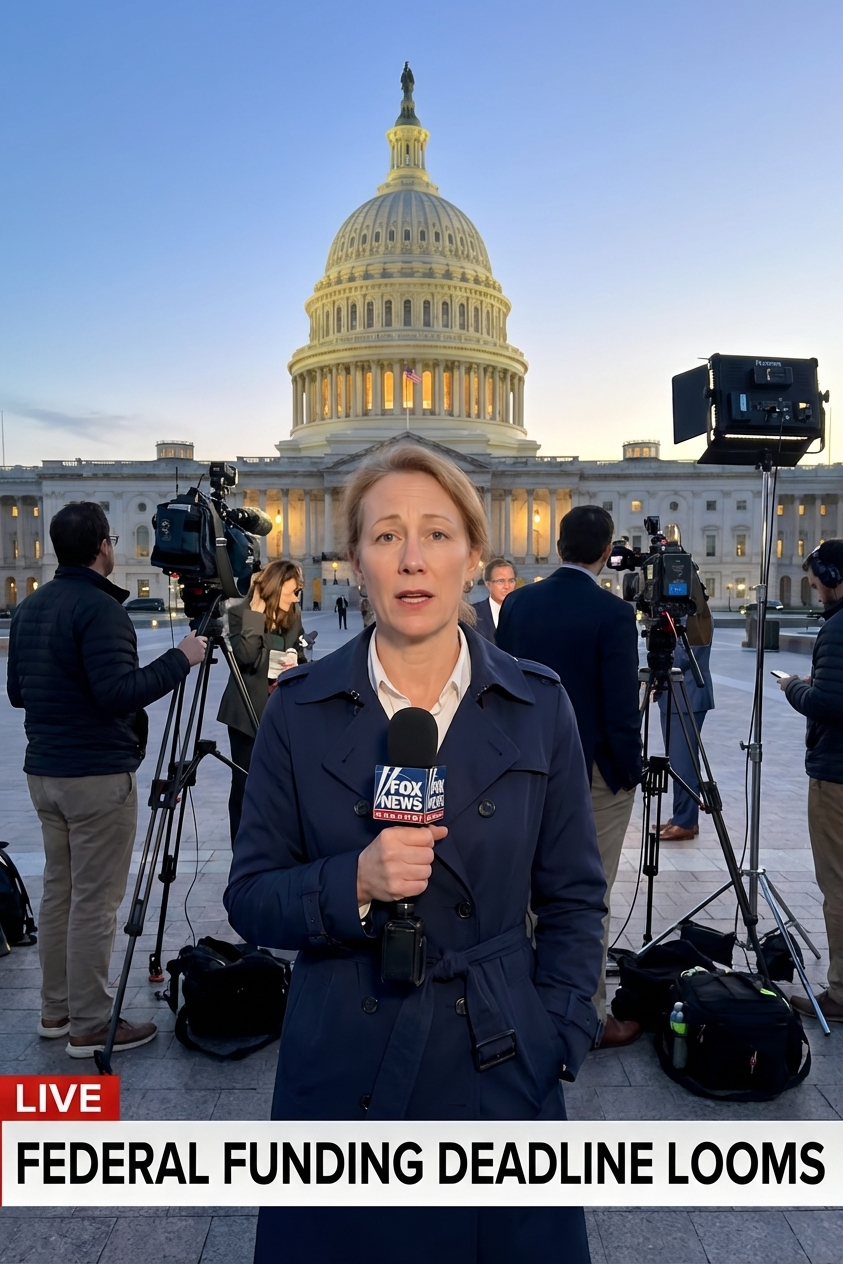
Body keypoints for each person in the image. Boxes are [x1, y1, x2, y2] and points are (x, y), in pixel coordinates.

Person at [224, 443, 606, 1264]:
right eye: (385, 534)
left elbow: (575, 894)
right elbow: (250, 896)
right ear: (353, 558)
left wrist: (560, 1031)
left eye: (435, 533)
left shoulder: (539, 705)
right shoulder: (296, 711)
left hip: (498, 1054)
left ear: (473, 554)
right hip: (346, 1061)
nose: (411, 558)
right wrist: (351, 881)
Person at [5, 501, 208, 1057]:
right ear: (102, 547)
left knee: (60, 894)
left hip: (44, 773)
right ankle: (91, 1024)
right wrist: (183, 658)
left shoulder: (31, 608)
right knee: (95, 902)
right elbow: (118, 693)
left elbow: (18, 693)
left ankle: (56, 1011)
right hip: (95, 775)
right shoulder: (100, 609)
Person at [496, 504, 643, 1049]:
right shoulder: (612, 613)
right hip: (592, 772)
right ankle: (585, 1013)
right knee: (586, 891)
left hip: (523, 765)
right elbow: (621, 708)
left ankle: (522, 999)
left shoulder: (516, 604)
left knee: (524, 886)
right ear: (607, 552)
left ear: (559, 548)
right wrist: (629, 771)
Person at [779, 539, 843, 1022]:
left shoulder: (837, 630)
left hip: (837, 775)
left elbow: (827, 704)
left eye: (817, 579)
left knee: (837, 883)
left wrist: (793, 686)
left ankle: (841, 993)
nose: (815, 588)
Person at [216, 560, 306, 842]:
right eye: (291, 592)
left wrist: (298, 665)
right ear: (275, 589)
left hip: (282, 710)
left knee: (282, 783)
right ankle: (242, 848)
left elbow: (300, 654)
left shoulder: (294, 613)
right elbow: (245, 658)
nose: (295, 598)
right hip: (246, 710)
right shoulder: (241, 612)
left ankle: (275, 843)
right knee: (245, 782)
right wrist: (255, 616)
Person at [656, 583, 715, 841]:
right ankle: (683, 816)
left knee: (683, 763)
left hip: (687, 697)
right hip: (674, 697)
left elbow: (683, 657)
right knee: (680, 761)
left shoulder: (695, 617)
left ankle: (686, 821)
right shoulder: (682, 616)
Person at [474, 557, 517, 642]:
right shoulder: (474, 615)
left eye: (511, 581)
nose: (507, 586)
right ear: (488, 584)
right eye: (501, 581)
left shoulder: (526, 613)